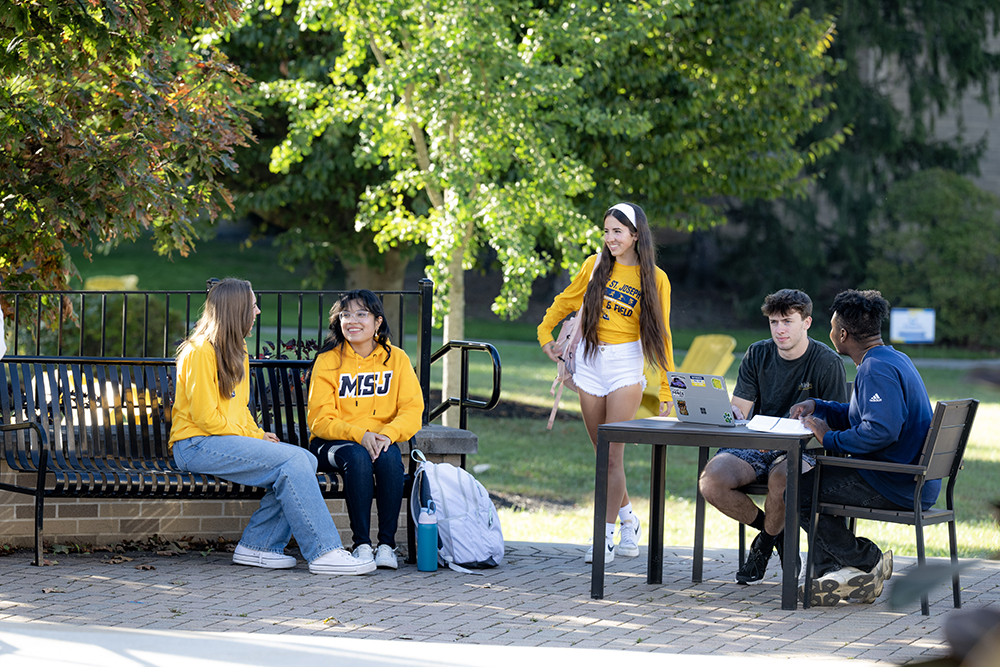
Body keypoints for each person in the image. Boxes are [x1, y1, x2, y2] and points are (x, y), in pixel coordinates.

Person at [169, 278, 375, 575]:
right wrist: (251, 436)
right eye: (253, 305)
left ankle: (259, 546)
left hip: (218, 440)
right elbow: (205, 418)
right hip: (195, 444)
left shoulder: (237, 349)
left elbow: (238, 410)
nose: (258, 311)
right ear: (236, 310)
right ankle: (325, 550)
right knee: (292, 460)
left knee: (303, 459)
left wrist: (257, 434)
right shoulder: (199, 351)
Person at [537, 202, 674, 565]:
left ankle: (605, 536)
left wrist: (666, 388)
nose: (611, 238)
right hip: (590, 364)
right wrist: (543, 331)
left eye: (618, 231)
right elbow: (566, 300)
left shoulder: (655, 278)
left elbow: (664, 336)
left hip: (626, 367)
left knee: (613, 455)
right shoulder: (594, 266)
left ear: (635, 235)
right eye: (607, 231)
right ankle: (630, 519)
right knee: (604, 455)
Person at [698, 289, 847, 585]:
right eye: (774, 322)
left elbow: (835, 424)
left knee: (784, 478)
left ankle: (763, 546)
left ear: (806, 322)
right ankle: (774, 534)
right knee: (710, 482)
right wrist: (733, 413)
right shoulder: (757, 353)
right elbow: (741, 407)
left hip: (806, 450)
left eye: (787, 322)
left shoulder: (826, 362)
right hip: (757, 444)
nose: (780, 330)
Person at [791, 289, 929, 605]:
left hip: (896, 481)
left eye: (831, 327)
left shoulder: (874, 368)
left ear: (842, 334)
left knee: (799, 492)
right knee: (815, 484)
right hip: (908, 475)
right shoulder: (891, 358)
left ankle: (867, 561)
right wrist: (819, 406)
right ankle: (836, 575)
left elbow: (881, 430)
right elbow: (861, 415)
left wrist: (829, 438)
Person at [307, 290, 423, 571]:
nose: (352, 320)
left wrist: (388, 434)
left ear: (378, 322)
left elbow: (412, 409)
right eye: (346, 314)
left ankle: (386, 545)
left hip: (379, 439)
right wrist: (360, 435)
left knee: (389, 457)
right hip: (331, 443)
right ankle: (361, 545)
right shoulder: (328, 360)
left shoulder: (396, 359)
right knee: (357, 456)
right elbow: (320, 420)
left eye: (361, 314)